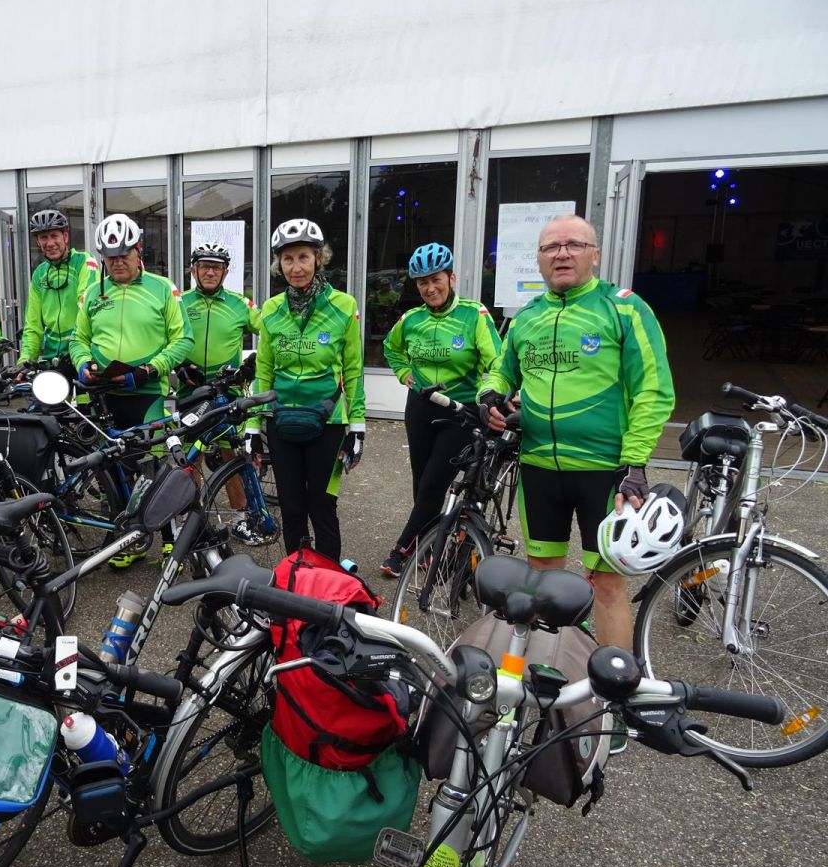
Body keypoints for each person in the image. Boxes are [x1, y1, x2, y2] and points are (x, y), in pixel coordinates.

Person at [479, 214, 674, 688]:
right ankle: (549, 685)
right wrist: (491, 394)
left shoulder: (624, 309)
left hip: (603, 471)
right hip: (538, 467)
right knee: (542, 580)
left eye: (573, 244)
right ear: (540, 260)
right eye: (551, 247)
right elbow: (501, 369)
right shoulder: (527, 316)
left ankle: (615, 694)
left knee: (605, 583)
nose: (562, 253)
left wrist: (635, 462)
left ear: (595, 254)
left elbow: (653, 389)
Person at [69, 213, 193, 567]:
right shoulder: (93, 293)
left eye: (124, 254)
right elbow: (78, 339)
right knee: (115, 471)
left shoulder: (162, 288)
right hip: (105, 394)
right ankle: (128, 540)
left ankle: (169, 539)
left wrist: (150, 369)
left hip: (145, 392)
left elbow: (182, 339)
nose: (117, 262)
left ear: (139, 251)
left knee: (152, 468)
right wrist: (83, 364)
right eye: (110, 257)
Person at [244, 219, 365, 561]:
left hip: (328, 423)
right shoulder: (271, 309)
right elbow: (264, 370)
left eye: (303, 257)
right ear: (278, 264)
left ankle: (327, 584)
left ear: (318, 258)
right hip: (282, 421)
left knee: (322, 508)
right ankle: (297, 581)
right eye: (288, 259)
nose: (296, 267)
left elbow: (353, 370)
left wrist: (358, 426)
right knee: (292, 509)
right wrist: (252, 426)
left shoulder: (343, 305)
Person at [379, 243, 501, 577]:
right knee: (422, 484)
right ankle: (429, 548)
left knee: (433, 484)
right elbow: (390, 348)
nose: (430, 288)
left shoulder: (474, 315)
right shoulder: (411, 319)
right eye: (423, 282)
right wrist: (404, 372)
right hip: (420, 408)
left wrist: (491, 393)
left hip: (459, 411)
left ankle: (401, 550)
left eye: (436, 279)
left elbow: (497, 360)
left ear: (451, 278)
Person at [178, 242, 264, 544]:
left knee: (231, 455)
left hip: (227, 392)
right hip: (191, 390)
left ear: (225, 272)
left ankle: (240, 519)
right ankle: (192, 519)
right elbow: (165, 338)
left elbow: (271, 330)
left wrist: (258, 362)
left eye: (216, 267)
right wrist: (176, 365)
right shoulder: (179, 302)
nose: (210, 272)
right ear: (193, 270)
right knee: (191, 457)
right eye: (204, 266)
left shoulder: (240, 304)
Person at [19, 209, 99, 374]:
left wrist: (78, 345)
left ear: (65, 237)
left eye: (54, 236)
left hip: (83, 356)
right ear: (38, 242)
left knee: (86, 393)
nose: (50, 243)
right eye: (44, 237)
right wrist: (26, 360)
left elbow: (86, 304)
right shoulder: (39, 274)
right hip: (52, 358)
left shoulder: (84, 261)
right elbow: (33, 323)